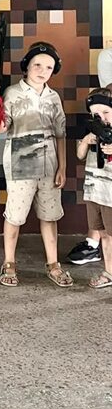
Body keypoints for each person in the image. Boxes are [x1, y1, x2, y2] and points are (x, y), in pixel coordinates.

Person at [0, 41, 73, 287]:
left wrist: (62, 167)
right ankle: (9, 261)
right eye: (37, 65)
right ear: (26, 66)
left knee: (50, 215)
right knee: (15, 214)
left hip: (49, 161)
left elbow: (60, 134)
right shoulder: (12, 93)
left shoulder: (53, 97)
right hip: (20, 159)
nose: (42, 71)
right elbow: (2, 127)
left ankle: (53, 264)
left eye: (49, 67)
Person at [65, 46, 112, 265]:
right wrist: (87, 140)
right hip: (97, 185)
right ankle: (94, 245)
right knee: (100, 220)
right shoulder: (108, 57)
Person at [76, 87, 112, 288]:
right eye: (96, 114)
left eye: (106, 112)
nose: (102, 118)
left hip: (110, 195)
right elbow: (80, 155)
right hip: (95, 191)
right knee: (103, 234)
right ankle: (109, 272)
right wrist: (86, 141)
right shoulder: (92, 131)